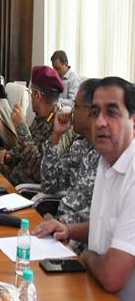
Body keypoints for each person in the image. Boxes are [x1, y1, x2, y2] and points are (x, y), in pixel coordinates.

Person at [34, 77, 135, 298]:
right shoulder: (106, 161)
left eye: (112, 112)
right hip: (91, 282)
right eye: (95, 112)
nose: (100, 122)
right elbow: (104, 225)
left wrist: (87, 256)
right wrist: (68, 229)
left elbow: (112, 276)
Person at [40, 79, 100, 227]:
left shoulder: (105, 155)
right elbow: (49, 184)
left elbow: (94, 216)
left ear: (92, 112)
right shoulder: (79, 145)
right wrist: (56, 136)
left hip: (73, 234)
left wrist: (58, 223)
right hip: (58, 225)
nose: (72, 111)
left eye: (76, 106)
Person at [0, 65, 68, 185]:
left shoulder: (60, 125)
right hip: (10, 178)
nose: (30, 98)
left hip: (24, 189)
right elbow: (28, 146)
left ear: (38, 96)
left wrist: (21, 127)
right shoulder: (41, 116)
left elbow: (39, 170)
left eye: (31, 93)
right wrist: (9, 156)